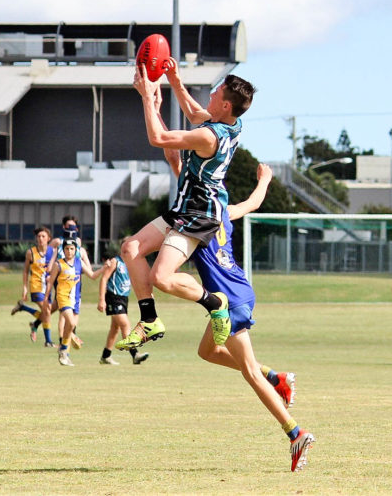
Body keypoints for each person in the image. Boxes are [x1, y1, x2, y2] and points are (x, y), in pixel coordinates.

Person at [116, 60, 256, 351]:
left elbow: (159, 138)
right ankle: (150, 320)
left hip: (200, 215)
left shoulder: (209, 136)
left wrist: (146, 97)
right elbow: (194, 113)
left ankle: (215, 302)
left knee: (161, 277)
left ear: (227, 106)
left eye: (217, 92)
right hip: (184, 208)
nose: (212, 93)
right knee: (131, 248)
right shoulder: (232, 122)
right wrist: (173, 79)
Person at [191, 162, 315, 472]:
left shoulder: (197, 219)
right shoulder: (224, 212)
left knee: (249, 371)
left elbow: (181, 168)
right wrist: (266, 178)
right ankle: (277, 377)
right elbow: (254, 202)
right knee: (207, 351)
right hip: (237, 290)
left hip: (228, 299)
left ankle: (295, 433)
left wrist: (164, 136)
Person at [44, 238, 104, 366]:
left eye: (72, 249)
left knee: (70, 326)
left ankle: (64, 353)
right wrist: (46, 299)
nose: (69, 251)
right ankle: (63, 350)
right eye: (67, 248)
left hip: (75, 299)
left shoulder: (79, 263)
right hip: (62, 297)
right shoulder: (58, 264)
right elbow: (50, 283)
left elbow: (93, 276)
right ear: (63, 250)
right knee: (70, 323)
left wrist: (105, 268)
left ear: (76, 250)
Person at [97, 243, 149, 366]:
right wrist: (101, 299)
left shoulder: (131, 264)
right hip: (113, 297)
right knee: (125, 324)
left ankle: (106, 356)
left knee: (115, 328)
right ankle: (135, 354)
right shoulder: (115, 261)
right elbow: (104, 279)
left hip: (123, 298)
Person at [48, 215, 93, 350]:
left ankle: (69, 335)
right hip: (62, 280)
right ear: (63, 227)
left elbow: (88, 269)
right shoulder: (58, 243)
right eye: (68, 227)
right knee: (64, 312)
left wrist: (80, 269)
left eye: (73, 227)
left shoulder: (78, 244)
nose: (71, 230)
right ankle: (64, 340)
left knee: (71, 311)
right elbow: (48, 255)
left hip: (76, 282)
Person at [11, 226, 55, 347]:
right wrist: (25, 288)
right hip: (36, 286)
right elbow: (25, 271)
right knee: (46, 311)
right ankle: (48, 341)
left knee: (47, 313)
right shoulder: (31, 253)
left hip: (48, 287)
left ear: (48, 238)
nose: (40, 239)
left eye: (43, 236)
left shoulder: (53, 252)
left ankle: (25, 311)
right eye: (39, 236)